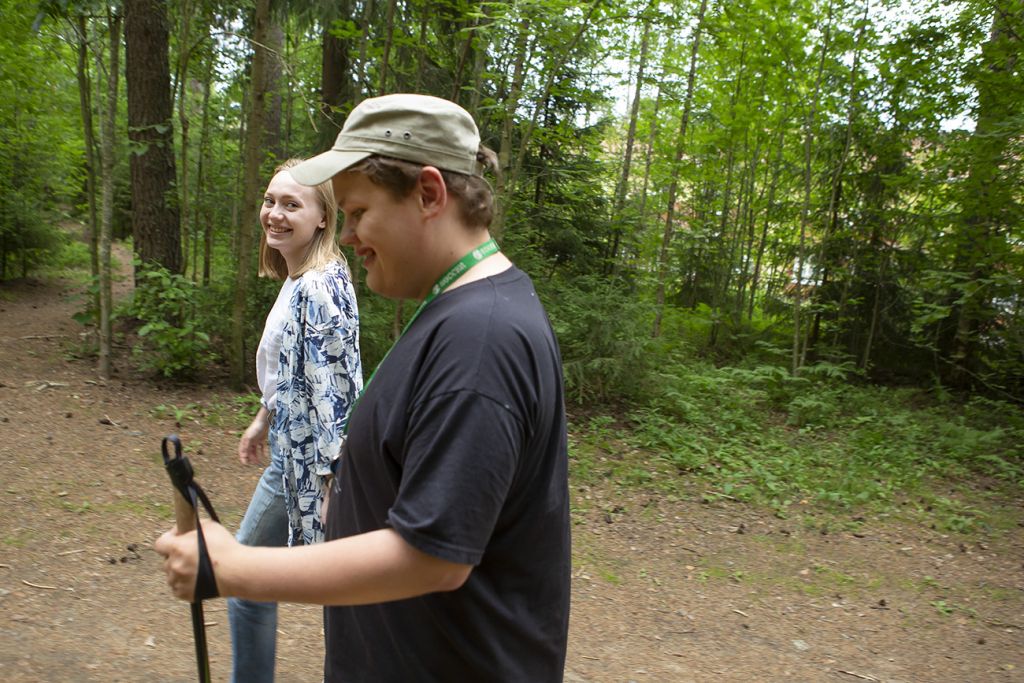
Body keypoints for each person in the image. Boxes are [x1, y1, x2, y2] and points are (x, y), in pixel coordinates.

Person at [156, 94, 570, 682]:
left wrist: (235, 568)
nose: (348, 236)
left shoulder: (481, 342)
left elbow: (432, 557)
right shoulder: (458, 313)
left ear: (429, 195)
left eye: (357, 211)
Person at [230, 158, 362, 682]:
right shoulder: (310, 274)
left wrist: (332, 482)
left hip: (308, 460)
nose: (275, 214)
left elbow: (334, 388)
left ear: (323, 217)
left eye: (292, 204)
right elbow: (296, 367)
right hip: (295, 444)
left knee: (250, 577)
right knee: (337, 588)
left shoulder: (315, 287)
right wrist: (263, 417)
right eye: (270, 201)